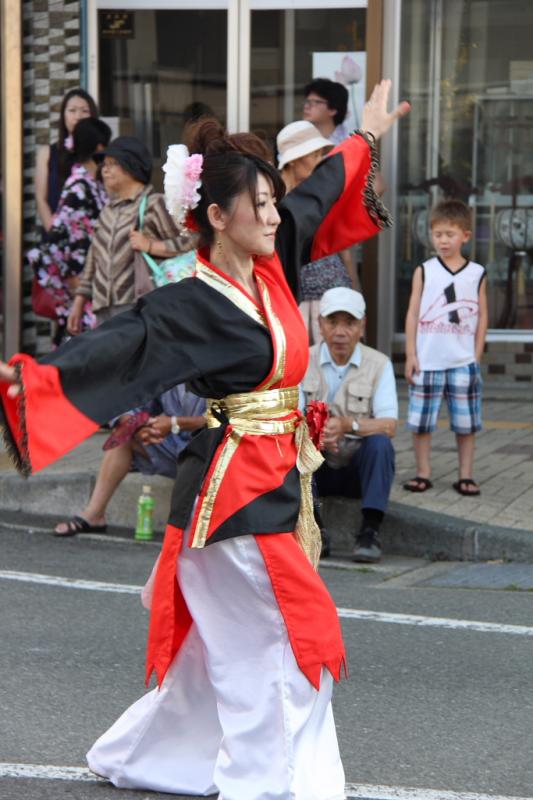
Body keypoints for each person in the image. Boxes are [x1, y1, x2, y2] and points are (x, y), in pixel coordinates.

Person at [0, 81, 408, 799]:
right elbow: (124, 340)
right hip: (235, 497)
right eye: (261, 204)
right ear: (217, 216)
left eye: (274, 201)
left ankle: (150, 758)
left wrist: (364, 137)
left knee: (219, 653)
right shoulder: (195, 298)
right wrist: (27, 381)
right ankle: (273, 784)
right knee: (287, 641)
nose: (277, 214)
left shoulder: (273, 264)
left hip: (273, 481)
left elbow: (317, 195)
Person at [302, 287, 398, 563]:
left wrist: (347, 424)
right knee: (292, 445)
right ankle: (315, 528)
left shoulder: (379, 364)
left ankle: (370, 530)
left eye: (349, 322)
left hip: (357, 471)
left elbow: (389, 424)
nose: (340, 332)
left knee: (380, 443)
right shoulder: (302, 360)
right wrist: (315, 434)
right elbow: (289, 418)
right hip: (316, 468)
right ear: (319, 324)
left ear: (362, 325)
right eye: (332, 322)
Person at [404, 199, 488, 496]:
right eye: (438, 234)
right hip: (428, 360)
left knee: (466, 424)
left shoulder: (476, 272)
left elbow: (482, 316)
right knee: (421, 422)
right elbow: (413, 312)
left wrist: (475, 356)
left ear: (465, 235)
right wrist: (411, 355)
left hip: (462, 360)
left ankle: (466, 475)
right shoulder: (424, 270)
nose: (443, 240)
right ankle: (423, 472)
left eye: (450, 234)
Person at [68, 136, 194, 331]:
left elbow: (191, 240)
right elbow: (94, 259)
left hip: (138, 305)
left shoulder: (154, 203)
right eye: (104, 165)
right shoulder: (107, 211)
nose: (105, 170)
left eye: (112, 164)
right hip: (103, 307)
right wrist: (78, 302)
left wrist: (151, 246)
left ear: (132, 166)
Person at [54, 384, 206, 536]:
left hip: (210, 451)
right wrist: (138, 427)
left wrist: (175, 423)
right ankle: (94, 515)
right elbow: (134, 405)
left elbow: (226, 418)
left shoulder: (219, 368)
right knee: (123, 435)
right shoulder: (170, 367)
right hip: (175, 447)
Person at [27, 118, 112, 345]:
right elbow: (75, 240)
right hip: (81, 282)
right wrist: (78, 288)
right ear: (100, 148)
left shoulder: (89, 182)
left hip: (89, 281)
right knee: (82, 346)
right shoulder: (80, 187)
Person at [278, 119, 356, 344]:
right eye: (314, 155)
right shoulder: (271, 199)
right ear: (294, 160)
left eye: (321, 154)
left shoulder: (322, 195)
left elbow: (345, 250)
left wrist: (353, 291)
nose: (319, 161)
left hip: (332, 290)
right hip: (292, 296)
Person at [34, 88, 98, 232]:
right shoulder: (47, 153)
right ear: (63, 116)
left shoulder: (100, 156)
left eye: (84, 111)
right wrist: (54, 232)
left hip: (91, 237)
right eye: (72, 110)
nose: (78, 116)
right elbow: (41, 198)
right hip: (56, 236)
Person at [303, 78, 350, 145]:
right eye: (307, 101)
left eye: (316, 102)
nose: (306, 107)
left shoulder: (348, 143)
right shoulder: (299, 138)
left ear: (333, 110)